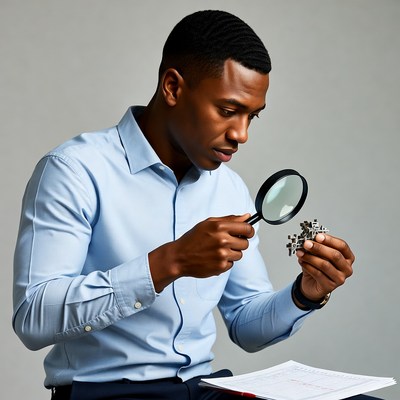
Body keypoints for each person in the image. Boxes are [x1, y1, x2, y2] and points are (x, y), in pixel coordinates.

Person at [13, 10, 359, 400]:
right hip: (106, 393)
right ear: (173, 87)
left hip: (204, 389)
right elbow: (33, 317)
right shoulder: (74, 171)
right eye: (228, 111)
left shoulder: (230, 189)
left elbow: (245, 323)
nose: (241, 134)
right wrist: (171, 261)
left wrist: (305, 294)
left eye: (252, 117)